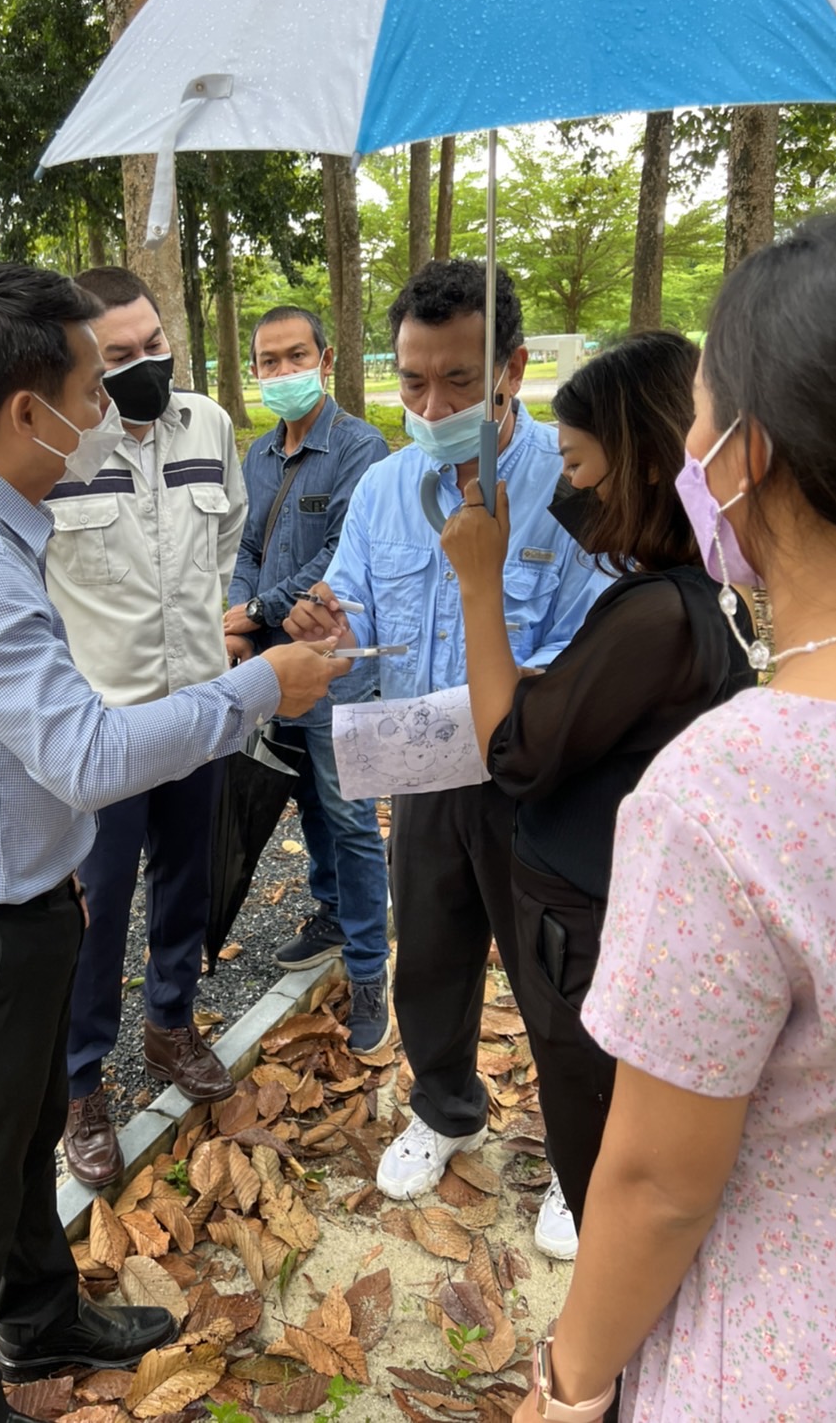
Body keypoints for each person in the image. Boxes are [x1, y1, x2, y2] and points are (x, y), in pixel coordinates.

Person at [0, 261, 344, 1423]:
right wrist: (257, 687)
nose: (104, 411)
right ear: (28, 411)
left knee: (21, 1152)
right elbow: (80, 751)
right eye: (89, 387)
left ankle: (39, 1320)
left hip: (10, 903)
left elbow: (23, 743)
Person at [512, 217, 836, 1423]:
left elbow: (656, 1181)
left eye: (702, 411)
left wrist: (568, 1378)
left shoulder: (730, 787)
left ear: (746, 453)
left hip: (772, 1334)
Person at [285, 259, 612, 1210]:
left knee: (556, 977)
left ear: (510, 368)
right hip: (421, 770)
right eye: (413, 379)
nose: (433, 402)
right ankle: (444, 1107)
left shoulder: (572, 479)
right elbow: (349, 603)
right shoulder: (386, 487)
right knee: (428, 954)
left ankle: (576, 1153)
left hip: (539, 784)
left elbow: (593, 646)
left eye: (459, 380)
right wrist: (326, 627)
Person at [440, 331, 755, 1284]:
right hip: (598, 916)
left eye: (578, 463)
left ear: (646, 462)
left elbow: (510, 753)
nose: (568, 487)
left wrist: (479, 586)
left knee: (593, 1141)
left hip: (584, 935)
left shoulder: (659, 614)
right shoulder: (683, 597)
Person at [45, 265, 248, 1189]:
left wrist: (224, 624)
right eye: (120, 355)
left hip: (198, 710)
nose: (145, 365)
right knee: (95, 908)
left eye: (154, 343)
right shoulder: (62, 447)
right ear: (87, 361)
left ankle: (170, 1024)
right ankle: (81, 1086)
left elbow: (227, 532)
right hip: (105, 723)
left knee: (186, 880)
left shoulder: (206, 425)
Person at [224, 305, 392, 1052]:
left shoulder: (361, 448)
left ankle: (368, 969)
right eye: (269, 360)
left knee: (351, 814)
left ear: (325, 360)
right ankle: (330, 912)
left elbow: (338, 556)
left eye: (298, 356)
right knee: (305, 798)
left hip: (335, 664)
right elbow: (249, 546)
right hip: (272, 659)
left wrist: (255, 609)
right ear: (255, 369)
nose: (283, 371)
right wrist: (241, 618)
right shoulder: (259, 454)